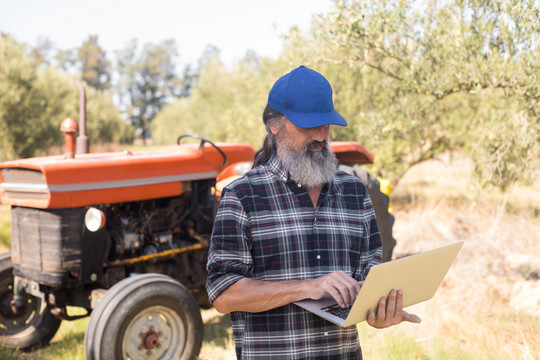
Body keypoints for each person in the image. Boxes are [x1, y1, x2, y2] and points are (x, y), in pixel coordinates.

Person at [206, 65, 420, 359]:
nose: (321, 136)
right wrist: (309, 287)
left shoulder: (355, 193)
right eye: (308, 125)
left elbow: (368, 284)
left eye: (326, 125)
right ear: (275, 125)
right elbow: (224, 295)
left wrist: (380, 311)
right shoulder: (243, 196)